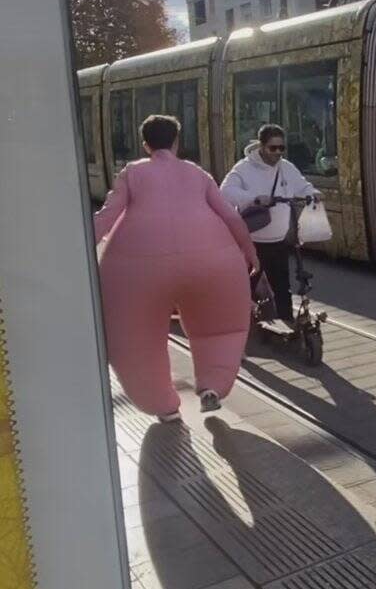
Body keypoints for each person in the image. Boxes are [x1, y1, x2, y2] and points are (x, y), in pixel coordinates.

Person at [93, 114, 258, 419]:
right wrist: (249, 253)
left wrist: (80, 247)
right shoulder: (197, 174)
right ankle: (213, 385)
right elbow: (231, 217)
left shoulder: (132, 173)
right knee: (219, 331)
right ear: (177, 141)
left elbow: (107, 215)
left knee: (136, 339)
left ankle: (163, 405)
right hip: (214, 263)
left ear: (145, 144)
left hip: (138, 268)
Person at [221, 124, 317, 324]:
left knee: (282, 284)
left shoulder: (286, 167)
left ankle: (286, 322)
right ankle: (238, 322)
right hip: (253, 242)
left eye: (282, 148)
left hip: (279, 240)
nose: (278, 153)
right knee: (246, 284)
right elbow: (226, 191)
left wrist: (312, 193)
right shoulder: (244, 168)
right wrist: (255, 198)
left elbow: (301, 185)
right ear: (262, 146)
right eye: (273, 148)